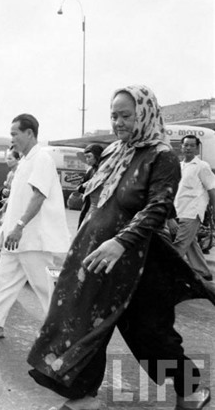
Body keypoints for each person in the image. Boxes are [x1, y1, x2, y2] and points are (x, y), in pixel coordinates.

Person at [27, 85, 215, 410]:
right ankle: (83, 396)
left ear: (144, 114)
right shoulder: (114, 152)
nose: (118, 122)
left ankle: (193, 389)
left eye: (125, 115)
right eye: (113, 115)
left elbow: (157, 207)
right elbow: (96, 205)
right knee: (84, 324)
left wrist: (119, 242)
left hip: (137, 265)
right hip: (96, 260)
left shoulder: (161, 156)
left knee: (149, 334)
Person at [0, 114, 70, 339]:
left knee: (44, 287)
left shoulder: (42, 159)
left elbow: (39, 195)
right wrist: (8, 212)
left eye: (14, 134)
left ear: (29, 133)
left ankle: (61, 330)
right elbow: (24, 196)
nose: (12, 140)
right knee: (5, 281)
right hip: (15, 238)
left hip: (32, 238)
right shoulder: (25, 161)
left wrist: (19, 225)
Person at [170, 135, 215, 280]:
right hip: (179, 210)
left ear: (197, 148)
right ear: (181, 147)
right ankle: (204, 272)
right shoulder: (179, 166)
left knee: (179, 245)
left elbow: (211, 189)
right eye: (185, 145)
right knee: (191, 244)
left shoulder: (202, 166)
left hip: (192, 212)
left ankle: (169, 276)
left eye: (191, 145)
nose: (188, 148)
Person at [77, 144, 104, 227]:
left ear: (97, 156)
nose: (87, 160)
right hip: (87, 206)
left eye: (89, 157)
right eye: (86, 157)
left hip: (100, 208)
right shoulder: (90, 170)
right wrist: (87, 185)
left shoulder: (106, 170)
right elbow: (79, 187)